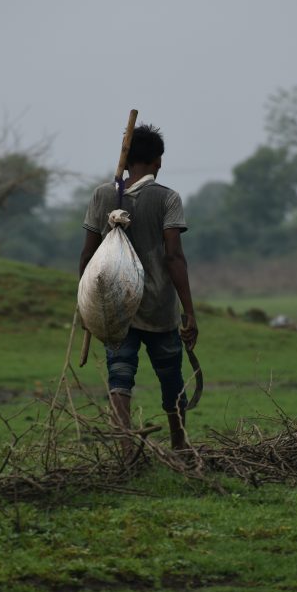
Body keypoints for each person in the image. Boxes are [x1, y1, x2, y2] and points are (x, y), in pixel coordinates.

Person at [79, 123, 198, 452]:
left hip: (114, 308)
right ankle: (181, 446)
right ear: (158, 162)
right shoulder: (167, 199)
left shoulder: (103, 195)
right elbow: (174, 257)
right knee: (171, 379)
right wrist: (189, 312)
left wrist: (84, 303)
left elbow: (88, 254)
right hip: (159, 307)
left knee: (120, 377)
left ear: (126, 158)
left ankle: (125, 450)